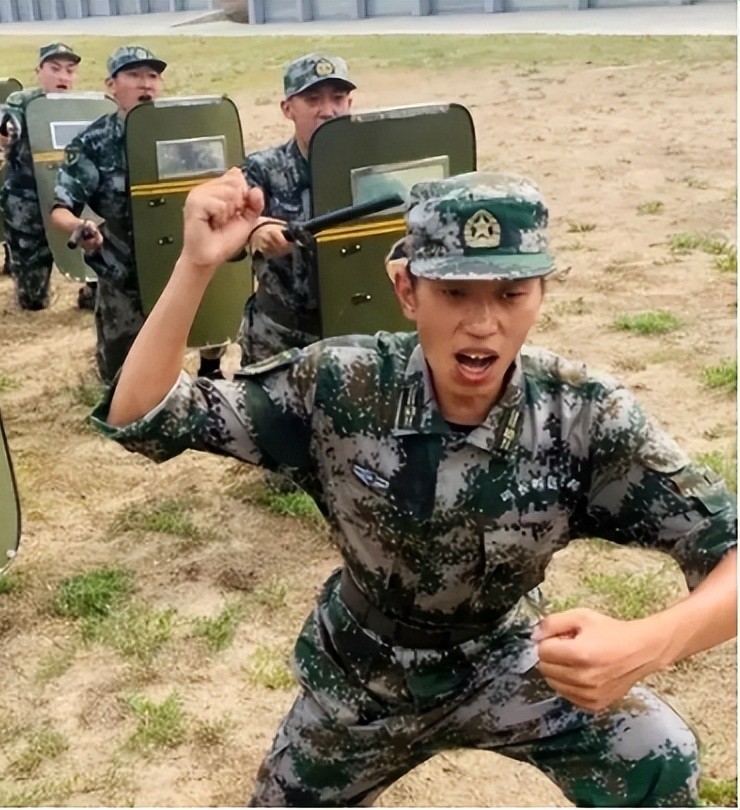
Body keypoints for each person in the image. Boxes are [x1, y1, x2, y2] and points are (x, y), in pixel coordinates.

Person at [94, 169, 737, 806]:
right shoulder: (342, 387)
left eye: (511, 294)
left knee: (656, 752)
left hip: (503, 655)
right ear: (407, 290)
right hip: (362, 676)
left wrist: (649, 644)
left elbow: (729, 550)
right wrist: (196, 266)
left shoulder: (581, 416)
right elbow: (144, 411)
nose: (482, 324)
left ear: (541, 294)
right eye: (454, 292)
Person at [51, 45, 224, 381]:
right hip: (123, 270)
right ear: (111, 85)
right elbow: (60, 209)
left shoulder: (184, 132)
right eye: (133, 75)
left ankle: (210, 370)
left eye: (153, 76)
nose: (146, 84)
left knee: (208, 326)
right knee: (121, 375)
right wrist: (81, 226)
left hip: (184, 254)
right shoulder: (92, 143)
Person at [239, 53, 355, 366]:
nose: (328, 111)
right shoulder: (263, 168)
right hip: (278, 339)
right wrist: (257, 229)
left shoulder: (369, 167)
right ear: (288, 109)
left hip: (352, 337)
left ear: (350, 104)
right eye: (313, 100)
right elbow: (229, 232)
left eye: (338, 98)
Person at [0, 42, 83, 311]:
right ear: (39, 71)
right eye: (55, 68)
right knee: (33, 301)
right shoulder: (22, 102)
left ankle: (92, 291)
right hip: (28, 205)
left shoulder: (81, 106)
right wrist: (6, 132)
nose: (62, 76)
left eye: (69, 70)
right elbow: (3, 127)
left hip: (72, 202)